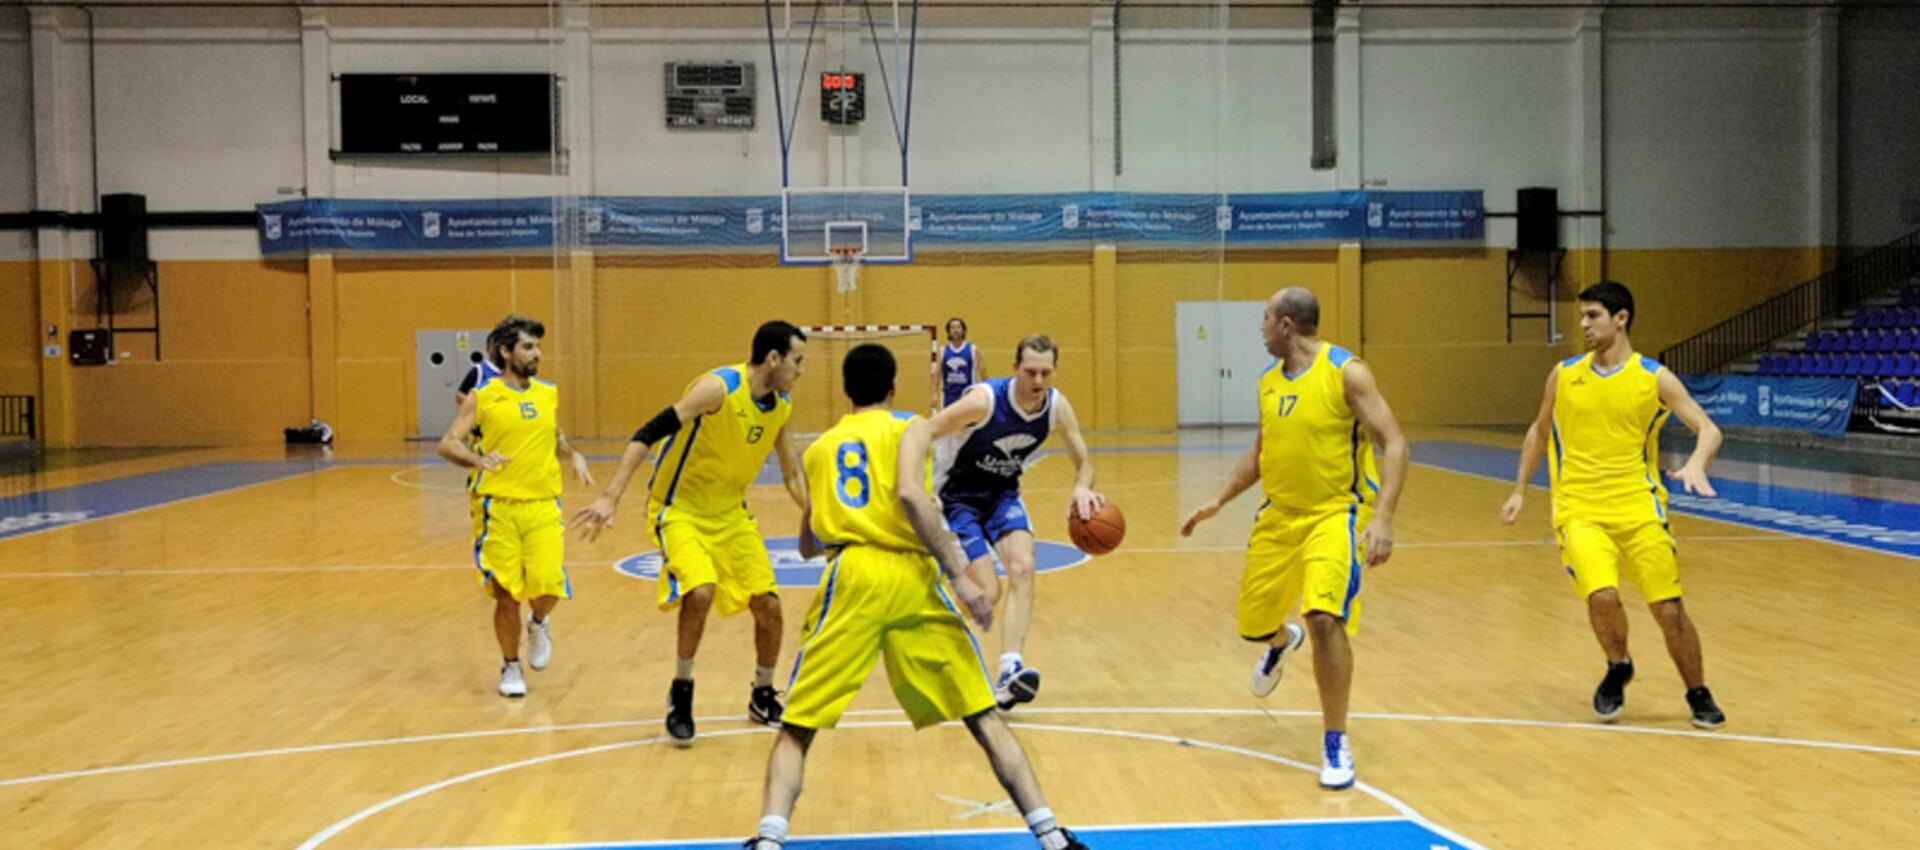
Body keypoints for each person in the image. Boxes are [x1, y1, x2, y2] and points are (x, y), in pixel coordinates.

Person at [744, 343, 1087, 850]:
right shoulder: (912, 428)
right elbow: (911, 495)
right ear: (892, 387)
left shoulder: (819, 450)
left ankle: (769, 839)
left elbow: (808, 544)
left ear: (845, 390)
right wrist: (959, 576)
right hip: (911, 576)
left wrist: (843, 519)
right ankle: (1051, 835)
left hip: (852, 577)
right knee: (982, 715)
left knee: (797, 726)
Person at [1180, 287, 1409, 790]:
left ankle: (1335, 742)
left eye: (1265, 319)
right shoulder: (1267, 382)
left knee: (1325, 618)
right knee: (1253, 625)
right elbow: (1260, 455)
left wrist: (1385, 517)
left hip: (1336, 514)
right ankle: (1281, 643)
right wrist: (1218, 501)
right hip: (1279, 518)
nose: (1260, 328)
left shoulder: (1346, 373)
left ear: (1286, 325)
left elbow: (1394, 442)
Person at [1500, 281, 1727, 730]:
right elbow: (1539, 431)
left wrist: (1697, 462)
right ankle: (1618, 664)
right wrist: (1519, 488)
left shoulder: (1652, 376)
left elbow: (1708, 428)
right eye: (1582, 316)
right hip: (1579, 509)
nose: (1583, 324)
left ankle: (1698, 691)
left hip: (1639, 509)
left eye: (1593, 316)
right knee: (1602, 597)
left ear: (1620, 319)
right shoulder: (1564, 374)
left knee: (1668, 610)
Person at [574, 321, 809, 743]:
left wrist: (815, 514)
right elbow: (646, 434)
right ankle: (681, 692)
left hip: (731, 515)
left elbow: (791, 472)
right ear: (773, 359)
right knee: (700, 592)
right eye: (797, 361)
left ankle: (762, 693)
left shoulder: (781, 406)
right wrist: (610, 496)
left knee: (769, 605)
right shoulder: (718, 389)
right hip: (678, 510)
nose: (801, 371)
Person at [921, 334, 1102, 709]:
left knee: (1022, 566)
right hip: (956, 499)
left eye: (1045, 373)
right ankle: (930, 635)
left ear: (1055, 371)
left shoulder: (1056, 407)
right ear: (1015, 368)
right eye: (1030, 372)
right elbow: (922, 433)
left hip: (1002, 495)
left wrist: (1082, 488)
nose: (1038, 380)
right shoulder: (983, 401)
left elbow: (1084, 461)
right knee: (987, 594)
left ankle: (1009, 670)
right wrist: (923, 487)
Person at [438, 315, 594, 698]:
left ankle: (538, 622)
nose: (537, 353)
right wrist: (478, 460)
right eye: (528, 346)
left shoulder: (547, 393)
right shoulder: (483, 396)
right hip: (498, 507)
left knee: (549, 585)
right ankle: (510, 665)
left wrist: (573, 454)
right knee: (506, 593)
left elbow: (555, 434)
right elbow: (448, 443)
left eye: (538, 346)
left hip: (543, 504)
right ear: (506, 352)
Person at [940, 317, 987, 409]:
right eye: (953, 327)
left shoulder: (973, 349)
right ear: (948, 331)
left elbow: (983, 372)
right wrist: (934, 394)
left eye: (958, 327)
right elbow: (937, 374)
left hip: (968, 395)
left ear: (964, 330)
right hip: (949, 397)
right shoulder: (943, 351)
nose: (956, 330)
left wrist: (987, 392)